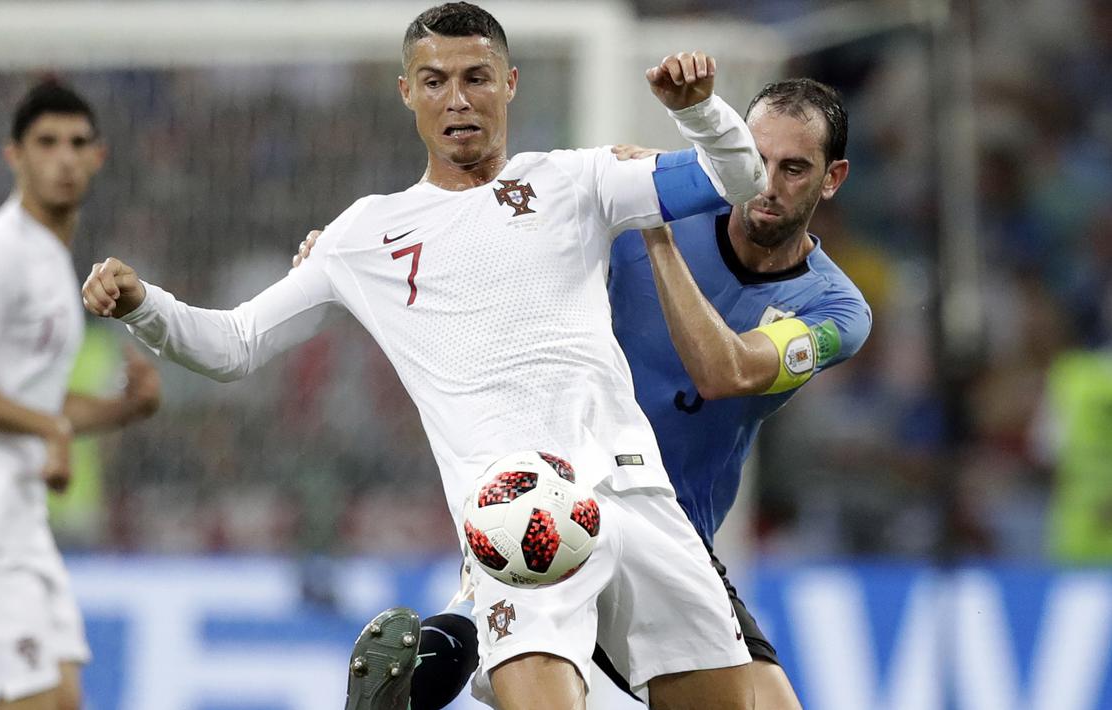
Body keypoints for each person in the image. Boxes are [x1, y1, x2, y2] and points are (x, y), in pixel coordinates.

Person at [81, 2, 767, 708]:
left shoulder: (576, 178)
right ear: (407, 92)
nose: (457, 99)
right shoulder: (363, 235)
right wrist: (143, 304)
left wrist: (700, 111)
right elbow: (233, 343)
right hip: (516, 515)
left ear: (509, 84)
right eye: (435, 81)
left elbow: (737, 179)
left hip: (637, 494)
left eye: (476, 77)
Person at [323, 77, 871, 710]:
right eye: (757, 158)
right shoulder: (656, 200)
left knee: (500, 632)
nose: (767, 184)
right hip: (566, 489)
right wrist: (349, 251)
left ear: (832, 179)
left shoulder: (836, 308)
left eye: (794, 169)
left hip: (673, 527)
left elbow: (725, 371)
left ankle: (439, 654)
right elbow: (501, 241)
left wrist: (655, 228)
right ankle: (458, 635)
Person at [0, 79, 162, 710]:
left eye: (77, 143)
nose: (63, 158)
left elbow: (39, 405)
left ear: (98, 157)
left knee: (64, 699)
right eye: (46, 142)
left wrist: (124, 409)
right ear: (13, 156)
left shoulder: (53, 261)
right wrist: (51, 430)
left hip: (19, 520)